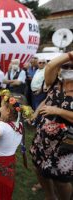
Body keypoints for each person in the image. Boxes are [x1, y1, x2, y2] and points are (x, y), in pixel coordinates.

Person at [30, 52, 73, 200]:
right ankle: (50, 196)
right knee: (39, 168)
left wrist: (58, 111)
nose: (69, 68)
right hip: (43, 140)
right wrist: (70, 55)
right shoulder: (55, 84)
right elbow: (49, 66)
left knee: (61, 180)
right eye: (65, 66)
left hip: (65, 145)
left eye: (72, 66)